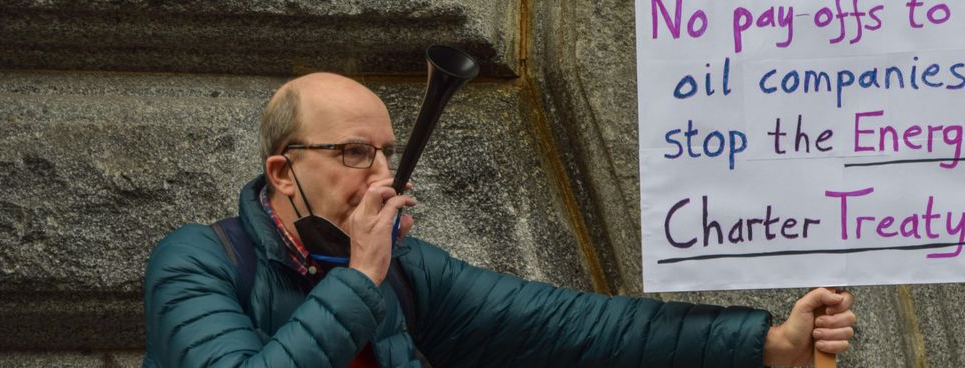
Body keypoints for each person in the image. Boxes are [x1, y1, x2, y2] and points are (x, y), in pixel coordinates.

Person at [142, 72, 857, 367]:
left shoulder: (406, 275)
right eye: (355, 153)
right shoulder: (198, 262)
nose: (383, 176)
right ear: (282, 172)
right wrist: (362, 276)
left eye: (387, 153)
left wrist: (766, 342)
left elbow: (578, 327)